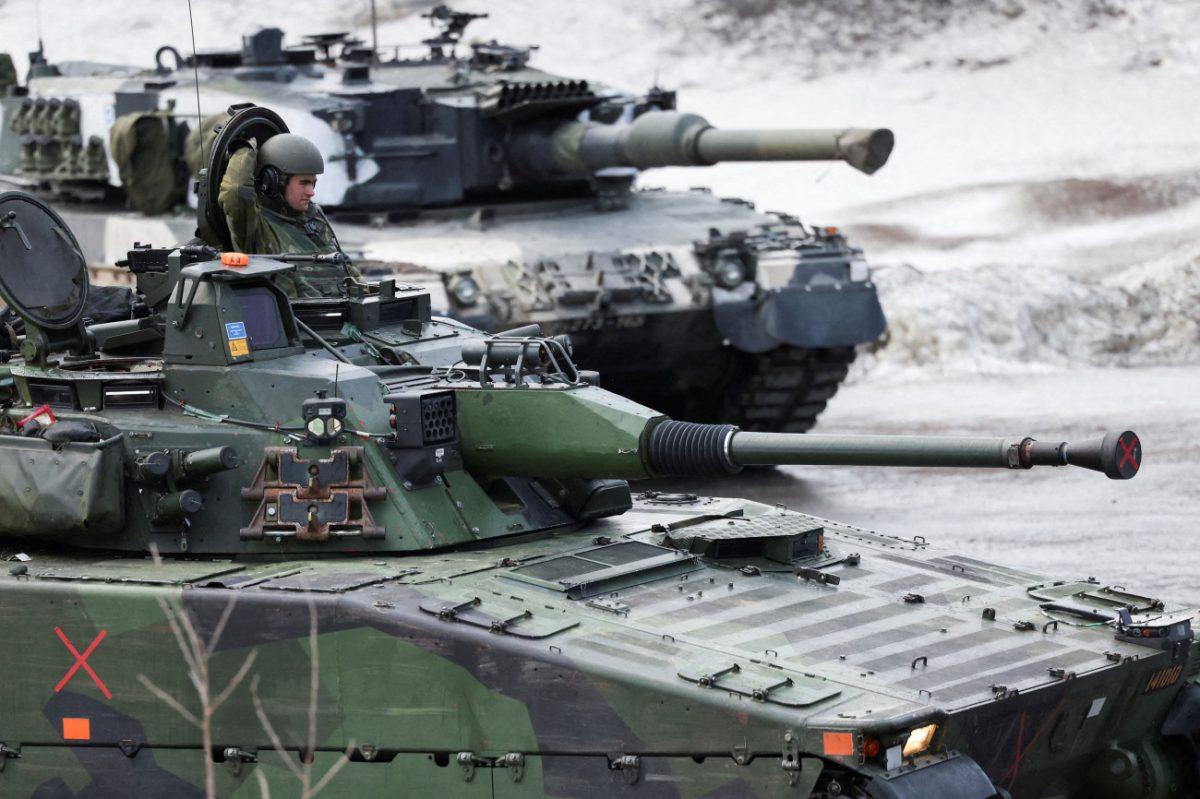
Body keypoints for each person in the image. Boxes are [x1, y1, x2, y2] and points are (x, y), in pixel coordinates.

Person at [218, 133, 360, 297]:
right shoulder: (257, 228)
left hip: (338, 309)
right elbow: (235, 193)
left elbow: (345, 270)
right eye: (304, 183)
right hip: (300, 314)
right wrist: (245, 151)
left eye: (313, 183)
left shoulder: (312, 216)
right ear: (273, 182)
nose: (311, 192)